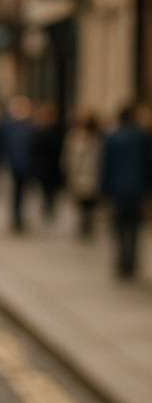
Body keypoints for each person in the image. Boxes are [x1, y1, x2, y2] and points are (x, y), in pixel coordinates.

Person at [101, 106, 150, 277]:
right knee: (134, 226)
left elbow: (106, 165)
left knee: (120, 226)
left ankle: (122, 261)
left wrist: (105, 189)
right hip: (136, 188)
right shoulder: (141, 137)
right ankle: (130, 261)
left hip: (117, 188)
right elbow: (147, 165)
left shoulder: (113, 138)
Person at [63, 111, 102, 239]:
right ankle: (85, 224)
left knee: (87, 202)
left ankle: (86, 224)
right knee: (83, 202)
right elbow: (68, 158)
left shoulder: (97, 139)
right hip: (83, 175)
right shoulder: (76, 137)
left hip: (88, 175)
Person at [1, 95, 34, 232]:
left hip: (26, 165)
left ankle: (20, 218)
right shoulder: (9, 126)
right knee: (15, 194)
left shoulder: (31, 126)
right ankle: (16, 219)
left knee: (24, 194)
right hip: (14, 165)